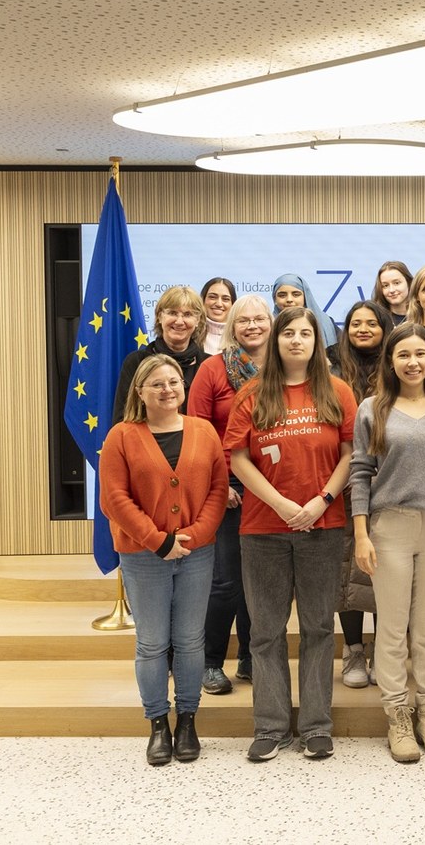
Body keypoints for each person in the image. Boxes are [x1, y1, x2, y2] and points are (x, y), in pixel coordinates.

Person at [225, 306, 357, 762]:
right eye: (289, 334)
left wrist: (321, 499)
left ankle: (317, 725)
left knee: (320, 628)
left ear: (317, 341)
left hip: (323, 526)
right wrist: (280, 504)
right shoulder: (252, 394)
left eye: (306, 333)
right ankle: (271, 726)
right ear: (276, 341)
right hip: (263, 529)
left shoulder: (336, 391)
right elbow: (238, 458)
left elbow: (350, 454)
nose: (297, 340)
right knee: (265, 632)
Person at [350, 323, 425, 763]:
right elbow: (360, 474)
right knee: (392, 627)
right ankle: (398, 715)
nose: (413, 362)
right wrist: (362, 534)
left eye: (420, 354)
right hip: (390, 528)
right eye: (403, 354)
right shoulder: (372, 409)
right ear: (391, 361)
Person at [99, 355, 228, 765]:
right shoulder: (121, 435)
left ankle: (187, 722)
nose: (168, 389)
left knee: (191, 641)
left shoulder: (204, 431)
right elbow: (114, 500)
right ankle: (158, 724)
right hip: (142, 555)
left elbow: (218, 490)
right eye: (157, 384)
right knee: (152, 643)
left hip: (196, 551)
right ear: (140, 392)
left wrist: (197, 535)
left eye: (174, 381)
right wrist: (159, 541)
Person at [189, 294, 272, 695]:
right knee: (226, 581)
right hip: (227, 486)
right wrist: (220, 484)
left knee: (259, 581)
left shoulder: (282, 369)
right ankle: (210, 662)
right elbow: (197, 432)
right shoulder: (213, 370)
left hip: (272, 489)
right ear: (232, 327)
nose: (253, 326)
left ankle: (251, 657)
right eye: (245, 320)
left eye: (260, 319)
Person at [329, 300, 393, 689]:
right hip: (342, 483)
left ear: (385, 328)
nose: (364, 329)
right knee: (346, 572)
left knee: (388, 570)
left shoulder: (397, 366)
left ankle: (385, 651)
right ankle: (353, 650)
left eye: (372, 323)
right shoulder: (331, 368)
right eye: (356, 323)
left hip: (390, 483)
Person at [112, 285, 208, 423]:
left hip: (197, 442)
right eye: (173, 313)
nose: (179, 321)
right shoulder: (137, 362)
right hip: (144, 442)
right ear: (159, 317)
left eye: (188, 314)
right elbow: (123, 418)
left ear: (198, 321)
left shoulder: (208, 365)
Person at [271, 273, 338, 348]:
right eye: (282, 295)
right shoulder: (268, 326)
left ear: (305, 297)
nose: (289, 299)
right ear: (275, 299)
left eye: (296, 294)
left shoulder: (325, 322)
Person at [200, 277, 236, 354]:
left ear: (233, 305)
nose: (219, 304)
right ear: (203, 301)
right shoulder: (191, 334)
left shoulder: (240, 337)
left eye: (225, 299)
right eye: (212, 297)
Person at [372, 261, 413, 325]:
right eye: (385, 285)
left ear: (409, 283)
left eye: (396, 283)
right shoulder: (376, 319)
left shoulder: (424, 316)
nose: (391, 290)